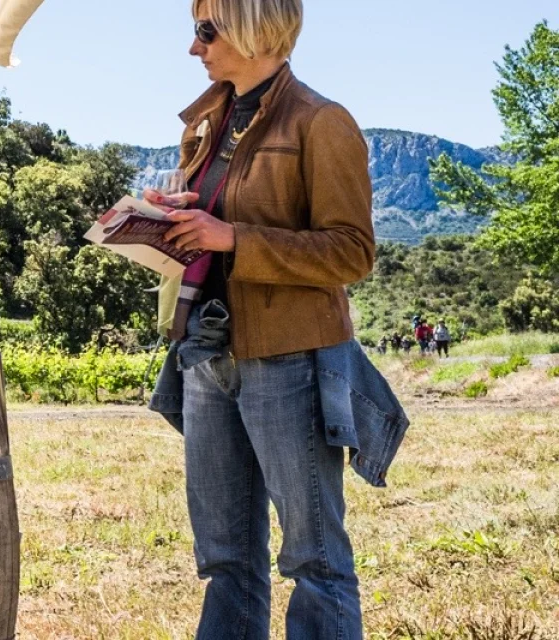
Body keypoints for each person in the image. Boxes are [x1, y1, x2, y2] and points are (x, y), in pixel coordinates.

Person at [143, 1, 407, 638]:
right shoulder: (208, 122)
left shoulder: (322, 122)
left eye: (205, 32)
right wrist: (173, 216)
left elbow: (351, 250)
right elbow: (216, 223)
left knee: (313, 559)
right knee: (225, 558)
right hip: (206, 353)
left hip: (288, 360)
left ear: (253, 30)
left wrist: (231, 236)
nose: (193, 48)